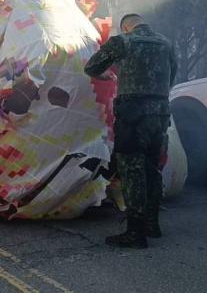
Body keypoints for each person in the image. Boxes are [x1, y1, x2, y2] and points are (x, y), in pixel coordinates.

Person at [84, 14, 176, 249]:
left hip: (133, 116)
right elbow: (172, 77)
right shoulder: (166, 43)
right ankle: (151, 224)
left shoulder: (123, 41)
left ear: (126, 26)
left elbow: (92, 66)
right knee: (152, 169)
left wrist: (104, 75)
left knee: (132, 170)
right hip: (160, 115)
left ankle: (135, 233)